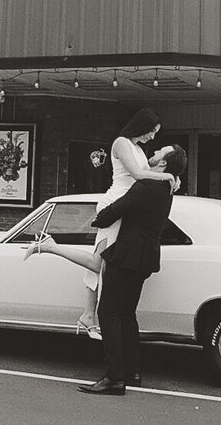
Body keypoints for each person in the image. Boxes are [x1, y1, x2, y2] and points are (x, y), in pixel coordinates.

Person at [24, 108, 177, 338]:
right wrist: (167, 176)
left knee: (103, 261)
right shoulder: (121, 143)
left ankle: (88, 314)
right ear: (142, 125)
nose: (152, 137)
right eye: (151, 131)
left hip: (126, 208)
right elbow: (138, 174)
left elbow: (147, 174)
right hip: (113, 206)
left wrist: (174, 176)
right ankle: (49, 246)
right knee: (99, 262)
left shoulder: (138, 148)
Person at [78, 143, 187, 395]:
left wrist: (98, 219)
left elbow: (115, 210)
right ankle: (132, 372)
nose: (153, 153)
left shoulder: (148, 185)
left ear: (163, 163)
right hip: (145, 257)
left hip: (127, 255)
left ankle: (114, 378)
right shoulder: (167, 187)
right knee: (126, 314)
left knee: (108, 312)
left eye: (159, 152)